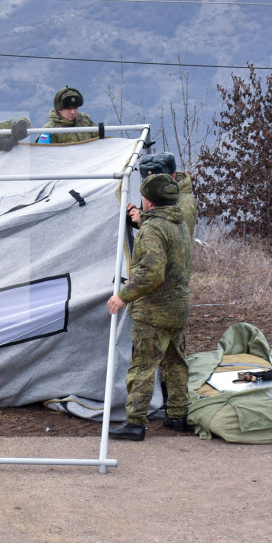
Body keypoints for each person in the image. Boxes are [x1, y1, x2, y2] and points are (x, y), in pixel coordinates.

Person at [106, 173, 192, 440]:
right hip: (177, 309)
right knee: (176, 363)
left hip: (153, 311)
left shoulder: (153, 228)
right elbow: (163, 240)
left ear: (150, 202)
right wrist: (140, 220)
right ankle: (178, 415)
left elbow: (152, 272)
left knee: (143, 366)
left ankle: (135, 422)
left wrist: (123, 295)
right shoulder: (180, 224)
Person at [135, 151, 197, 238]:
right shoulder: (158, 194)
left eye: (157, 181)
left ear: (173, 176)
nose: (152, 185)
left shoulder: (185, 201)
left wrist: (142, 219)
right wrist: (132, 215)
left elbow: (180, 237)